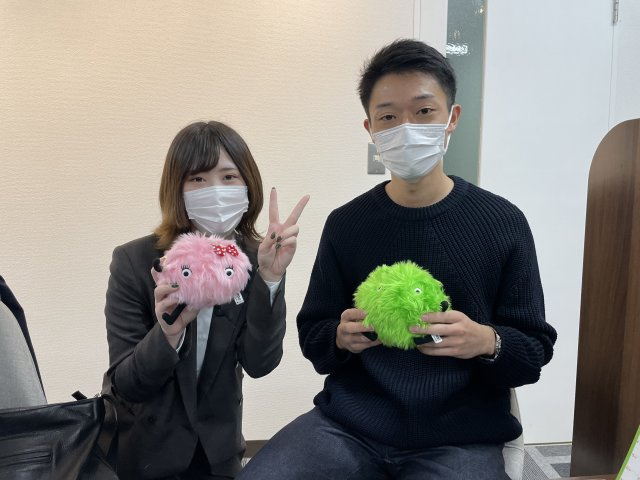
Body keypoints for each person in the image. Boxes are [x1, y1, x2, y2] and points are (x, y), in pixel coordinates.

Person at [238, 39, 557, 480]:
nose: (406, 127)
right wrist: (340, 337)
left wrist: (487, 341)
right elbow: (314, 336)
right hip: (348, 427)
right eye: (388, 117)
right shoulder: (347, 224)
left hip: (460, 436)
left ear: (452, 118)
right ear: (370, 128)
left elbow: (534, 350)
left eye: (424, 111)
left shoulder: (502, 222)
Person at [102, 120, 309, 480]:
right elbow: (127, 384)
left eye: (229, 177)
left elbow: (260, 364)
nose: (215, 190)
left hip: (218, 457)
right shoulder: (134, 261)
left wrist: (270, 279)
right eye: (197, 178)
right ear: (177, 189)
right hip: (144, 456)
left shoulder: (255, 259)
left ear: (248, 186)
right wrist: (167, 334)